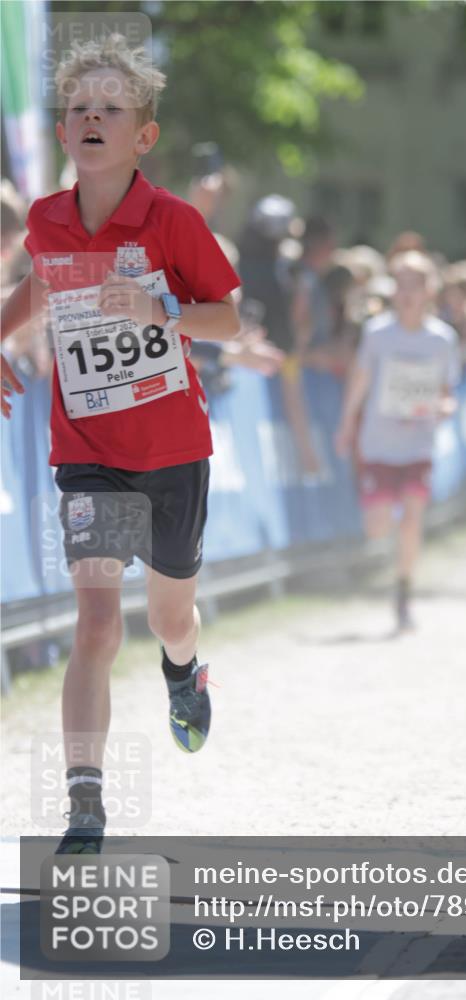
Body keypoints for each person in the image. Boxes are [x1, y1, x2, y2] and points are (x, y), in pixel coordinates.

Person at [0, 34, 242, 852]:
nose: (92, 117)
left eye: (111, 108)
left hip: (174, 448)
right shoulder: (47, 221)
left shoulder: (172, 221)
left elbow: (231, 319)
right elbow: (38, 286)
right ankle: (85, 805)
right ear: (63, 133)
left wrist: (162, 313)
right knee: (98, 624)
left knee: (170, 618)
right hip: (89, 452)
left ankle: (185, 672)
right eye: (79, 109)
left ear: (144, 135)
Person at [335, 250, 461, 632]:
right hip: (378, 444)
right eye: (400, 283)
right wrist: (345, 426)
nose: (407, 292)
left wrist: (444, 407)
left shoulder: (442, 339)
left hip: (418, 446)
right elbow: (360, 380)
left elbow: (448, 391)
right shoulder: (378, 333)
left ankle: (404, 592)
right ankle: (388, 550)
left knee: (412, 517)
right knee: (378, 527)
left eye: (415, 284)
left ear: (429, 291)